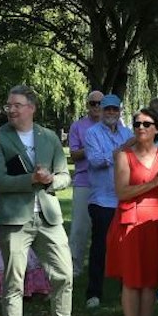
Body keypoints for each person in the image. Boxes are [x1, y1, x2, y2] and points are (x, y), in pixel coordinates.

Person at [0, 85, 86, 316]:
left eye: (17, 104)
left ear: (32, 107)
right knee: (13, 283)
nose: (12, 109)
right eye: (9, 105)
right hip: (14, 219)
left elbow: (65, 176)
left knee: (64, 275)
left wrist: (51, 181)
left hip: (48, 217)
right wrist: (32, 179)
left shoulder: (49, 137)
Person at [109, 107, 158, 316]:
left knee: (150, 282)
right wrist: (150, 184)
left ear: (156, 128)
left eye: (146, 124)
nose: (140, 128)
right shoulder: (123, 156)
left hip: (157, 219)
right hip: (129, 220)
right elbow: (122, 192)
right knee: (131, 280)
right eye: (137, 124)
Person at [81, 94, 133, 308]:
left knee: (127, 246)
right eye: (107, 109)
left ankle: (127, 291)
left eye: (115, 109)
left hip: (124, 198)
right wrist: (121, 150)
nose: (111, 113)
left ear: (120, 111)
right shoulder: (92, 133)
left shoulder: (128, 132)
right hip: (101, 199)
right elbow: (94, 160)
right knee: (100, 247)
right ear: (101, 111)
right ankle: (94, 293)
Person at [66, 91, 104, 296]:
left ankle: (107, 269)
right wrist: (92, 148)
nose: (96, 106)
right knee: (79, 229)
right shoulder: (78, 126)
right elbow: (73, 154)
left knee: (106, 230)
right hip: (84, 181)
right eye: (93, 103)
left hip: (107, 184)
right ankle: (74, 268)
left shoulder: (114, 126)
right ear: (87, 105)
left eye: (100, 103)